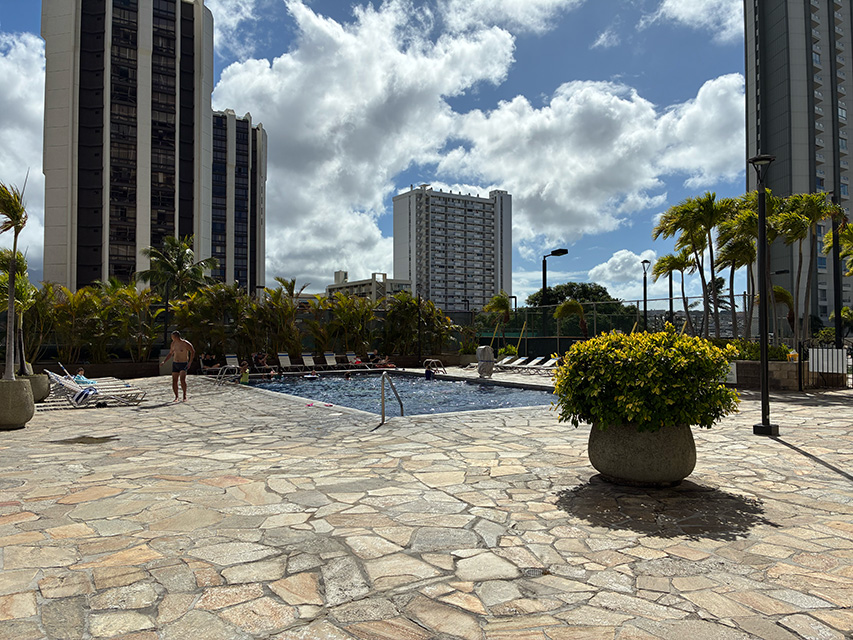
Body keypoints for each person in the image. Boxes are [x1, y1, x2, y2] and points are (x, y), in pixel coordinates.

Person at [160, 330, 195, 401]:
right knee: (174, 380)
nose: (171, 338)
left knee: (182, 379)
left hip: (183, 363)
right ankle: (176, 396)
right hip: (175, 363)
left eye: (172, 337)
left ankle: (184, 395)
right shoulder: (173, 344)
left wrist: (190, 362)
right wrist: (164, 361)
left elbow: (192, 351)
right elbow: (170, 353)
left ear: (176, 337)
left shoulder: (185, 343)